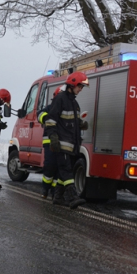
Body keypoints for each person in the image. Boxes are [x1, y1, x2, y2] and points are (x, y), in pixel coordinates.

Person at [46, 72, 88, 209]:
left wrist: (80, 123)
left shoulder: (74, 102)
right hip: (62, 144)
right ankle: (72, 197)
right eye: (80, 86)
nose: (81, 89)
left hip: (72, 145)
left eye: (82, 87)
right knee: (66, 171)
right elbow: (51, 120)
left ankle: (58, 197)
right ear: (73, 84)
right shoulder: (60, 99)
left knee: (62, 173)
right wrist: (53, 138)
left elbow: (70, 121)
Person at [38, 85, 65, 199]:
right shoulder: (50, 108)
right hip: (49, 142)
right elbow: (39, 114)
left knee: (59, 167)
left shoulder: (67, 108)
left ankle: (55, 191)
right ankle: (45, 188)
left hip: (62, 143)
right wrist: (47, 118)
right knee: (50, 165)